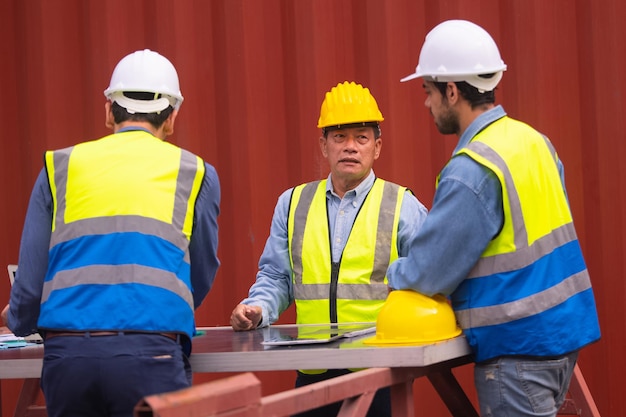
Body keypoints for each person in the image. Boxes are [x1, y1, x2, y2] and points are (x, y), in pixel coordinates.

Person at [390, 19, 601, 417]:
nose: (426, 103)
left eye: (427, 91)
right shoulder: (534, 141)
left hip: (518, 351)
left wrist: (391, 276)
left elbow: (427, 271)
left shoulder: (473, 168)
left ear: (451, 91)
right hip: (561, 337)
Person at [1, 49, 221, 417]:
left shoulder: (60, 166)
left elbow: (30, 279)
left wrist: (19, 321)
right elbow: (200, 273)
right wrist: (159, 308)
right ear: (172, 116)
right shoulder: (195, 173)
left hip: (69, 360)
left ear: (108, 110)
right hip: (154, 354)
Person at [230, 81, 428, 417]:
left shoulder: (403, 206)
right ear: (324, 146)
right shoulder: (292, 204)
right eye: (339, 137)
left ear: (377, 147)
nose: (350, 146)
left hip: (378, 374)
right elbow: (277, 277)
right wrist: (257, 309)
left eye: (361, 137)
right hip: (312, 375)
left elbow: (428, 284)